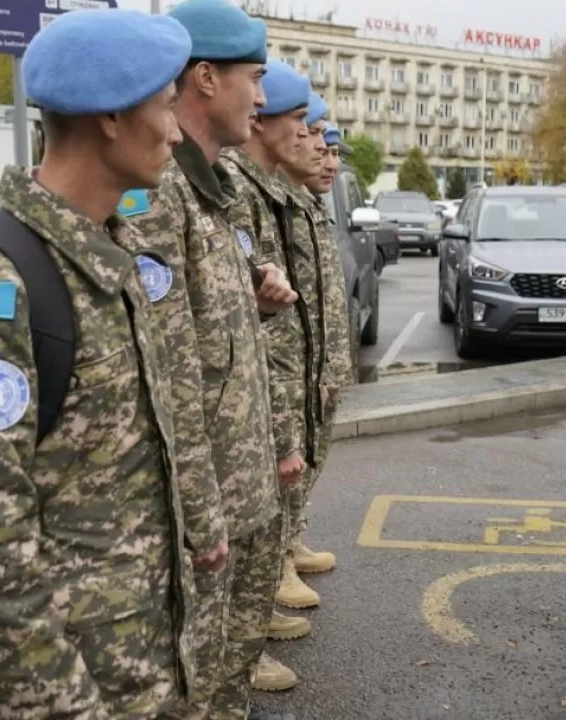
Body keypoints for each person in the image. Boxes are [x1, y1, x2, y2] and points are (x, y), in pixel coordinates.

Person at [0, 9, 195, 718]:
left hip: (138, 669)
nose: (179, 131)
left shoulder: (105, 255)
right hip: (67, 691)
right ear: (113, 118)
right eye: (166, 107)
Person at [127, 1, 297, 719]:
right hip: (209, 507)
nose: (260, 99)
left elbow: (218, 340)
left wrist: (255, 303)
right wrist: (203, 520)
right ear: (204, 78)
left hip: (245, 486)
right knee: (195, 689)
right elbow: (165, 376)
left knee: (230, 677)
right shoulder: (159, 194)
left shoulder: (214, 190)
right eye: (252, 79)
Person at [219, 58, 317, 692]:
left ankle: (246, 633)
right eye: (301, 122)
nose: (311, 140)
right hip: (242, 414)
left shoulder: (260, 193)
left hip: (275, 389)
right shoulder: (231, 191)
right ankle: (237, 652)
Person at [270, 93, 356, 614]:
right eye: (313, 136)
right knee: (286, 463)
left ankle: (291, 537)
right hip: (289, 363)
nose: (326, 155)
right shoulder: (276, 200)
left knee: (310, 458)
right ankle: (276, 559)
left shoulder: (308, 205)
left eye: (330, 147)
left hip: (317, 361)